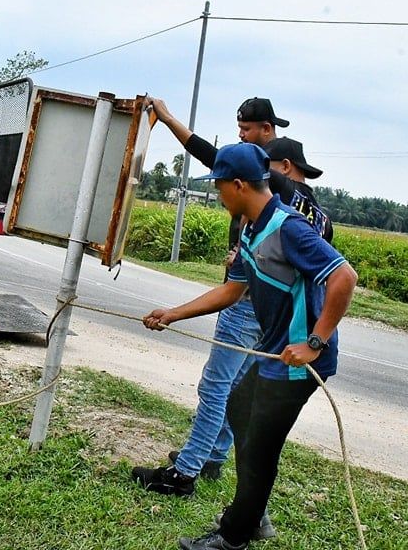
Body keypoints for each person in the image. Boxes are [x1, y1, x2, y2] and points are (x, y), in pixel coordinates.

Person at [133, 98, 332, 539]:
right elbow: (236, 286)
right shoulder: (268, 222)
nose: (218, 193)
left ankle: (222, 515)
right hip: (274, 335)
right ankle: (242, 501)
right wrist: (174, 313)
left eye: (221, 185)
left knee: (245, 423)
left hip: (297, 351)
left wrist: (314, 343)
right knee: (242, 412)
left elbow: (342, 277)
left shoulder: (283, 220)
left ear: (246, 181)